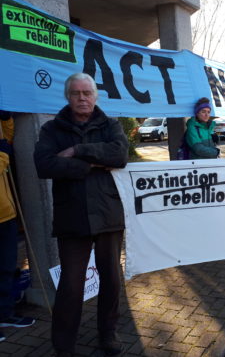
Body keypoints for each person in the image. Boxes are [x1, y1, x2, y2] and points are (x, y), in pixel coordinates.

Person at [33, 73, 129, 356]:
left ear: (95, 96)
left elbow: (120, 155)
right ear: (68, 96)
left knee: (111, 279)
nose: (82, 98)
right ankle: (63, 345)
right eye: (76, 93)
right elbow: (44, 165)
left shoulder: (110, 125)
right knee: (71, 285)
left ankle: (107, 334)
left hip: (108, 214)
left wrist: (78, 151)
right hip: (71, 218)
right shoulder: (52, 129)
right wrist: (89, 166)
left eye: (87, 92)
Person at [0, 111, 35, 343]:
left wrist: (5, 120)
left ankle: (4, 314)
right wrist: (2, 148)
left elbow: (9, 137)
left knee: (5, 268)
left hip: (6, 214)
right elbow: (3, 158)